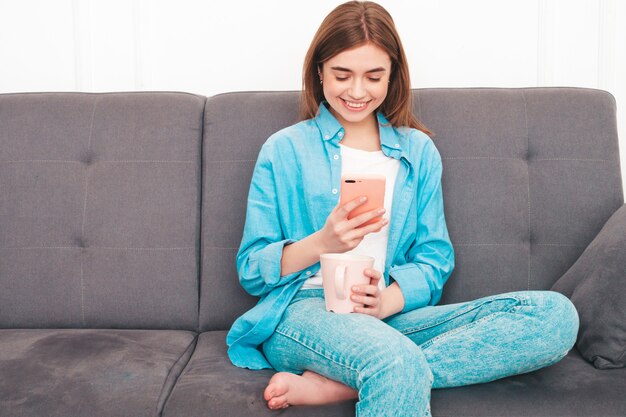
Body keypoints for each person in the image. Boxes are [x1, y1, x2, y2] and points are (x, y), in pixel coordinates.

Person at [226, 1, 580, 416]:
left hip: (388, 318)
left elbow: (434, 259)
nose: (357, 92)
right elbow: (251, 268)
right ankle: (380, 371)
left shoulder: (418, 152)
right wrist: (323, 242)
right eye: (342, 75)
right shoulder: (285, 149)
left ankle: (343, 385)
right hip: (303, 313)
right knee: (392, 360)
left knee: (553, 315)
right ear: (319, 70)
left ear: (392, 76)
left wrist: (387, 301)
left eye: (373, 76)